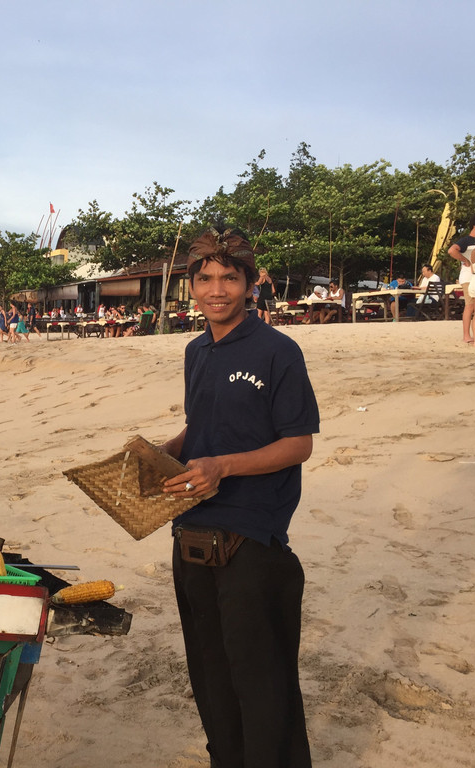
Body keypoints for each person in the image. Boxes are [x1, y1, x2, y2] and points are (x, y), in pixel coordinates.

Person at [159, 225, 319, 768]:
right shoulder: (196, 351)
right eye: (205, 279)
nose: (217, 290)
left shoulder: (278, 351)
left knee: (263, 684)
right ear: (191, 287)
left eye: (230, 278)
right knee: (210, 677)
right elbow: (198, 426)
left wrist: (223, 466)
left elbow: (299, 443)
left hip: (252, 541)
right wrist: (162, 452)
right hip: (191, 535)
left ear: (251, 284)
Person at [448, 214, 475, 343]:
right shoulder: (466, 240)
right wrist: (465, 260)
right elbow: (452, 250)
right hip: (468, 277)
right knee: (470, 306)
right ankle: (466, 335)